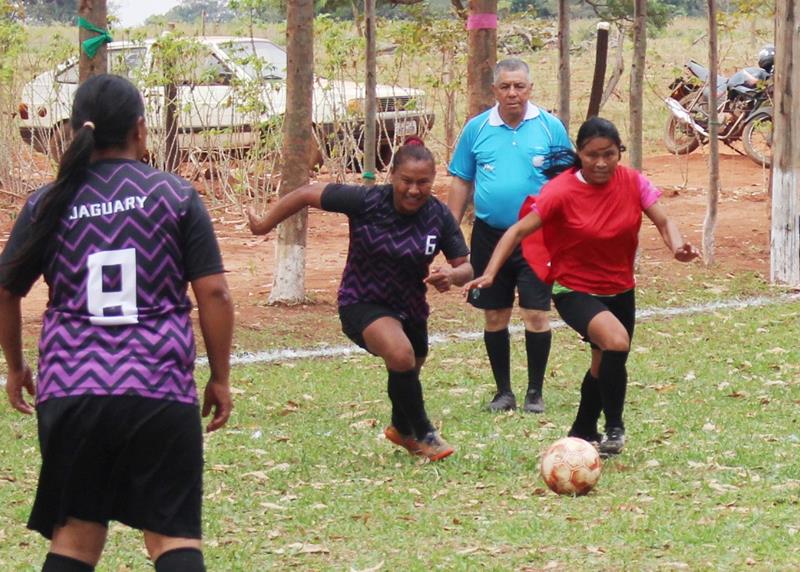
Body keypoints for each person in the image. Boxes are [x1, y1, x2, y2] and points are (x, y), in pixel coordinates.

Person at [0, 75, 234, 572]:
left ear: (71, 132)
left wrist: (16, 367)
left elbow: (6, 290)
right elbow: (214, 292)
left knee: (75, 541)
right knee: (173, 539)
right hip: (158, 390)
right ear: (140, 130)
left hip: (71, 391)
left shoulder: (47, 203)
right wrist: (219, 376)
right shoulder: (175, 196)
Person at [464, 117, 700, 456]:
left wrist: (677, 247)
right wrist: (489, 273)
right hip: (574, 289)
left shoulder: (632, 182)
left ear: (619, 152)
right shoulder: (561, 190)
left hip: (620, 288)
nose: (601, 163)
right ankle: (614, 428)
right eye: (592, 155)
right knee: (616, 342)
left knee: (603, 361)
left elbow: (663, 220)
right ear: (580, 153)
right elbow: (516, 231)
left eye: (609, 154)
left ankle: (582, 427)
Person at [248, 137, 472, 461]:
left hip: (411, 307)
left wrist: (452, 276)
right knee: (401, 354)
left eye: (423, 183)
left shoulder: (437, 215)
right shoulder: (367, 201)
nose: (414, 190)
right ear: (392, 176)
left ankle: (400, 428)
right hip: (362, 300)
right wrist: (264, 224)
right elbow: (308, 192)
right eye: (407, 181)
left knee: (409, 365)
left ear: (433, 181)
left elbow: (466, 265)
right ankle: (425, 433)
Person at [448, 58, 572, 413]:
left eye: (519, 86)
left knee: (536, 314)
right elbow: (461, 180)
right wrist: (449, 230)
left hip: (537, 237)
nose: (513, 93)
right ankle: (503, 392)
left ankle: (535, 392)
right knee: (494, 315)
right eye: (505, 87)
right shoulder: (476, 129)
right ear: (494, 90)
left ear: (530, 89)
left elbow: (566, 184)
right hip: (488, 235)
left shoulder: (550, 128)